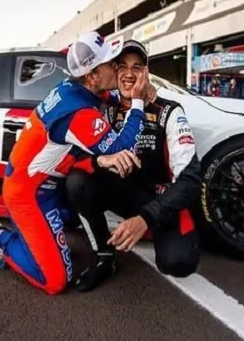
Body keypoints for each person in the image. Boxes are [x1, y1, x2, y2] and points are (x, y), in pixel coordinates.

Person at [0, 31, 153, 296]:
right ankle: (1, 238)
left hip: (51, 186)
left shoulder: (75, 87)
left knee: (84, 189)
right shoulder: (77, 113)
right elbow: (124, 150)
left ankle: (39, 234)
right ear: (92, 76)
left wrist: (128, 96)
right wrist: (139, 103)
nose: (117, 67)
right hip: (29, 195)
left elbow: (108, 98)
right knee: (55, 281)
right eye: (111, 64)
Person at [65, 39, 202, 292]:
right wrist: (100, 160)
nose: (129, 74)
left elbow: (191, 179)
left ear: (147, 72)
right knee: (76, 180)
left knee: (179, 262)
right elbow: (76, 158)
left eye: (137, 67)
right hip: (122, 194)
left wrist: (145, 218)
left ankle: (143, 228)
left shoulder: (169, 111)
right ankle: (104, 256)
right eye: (122, 66)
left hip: (159, 200)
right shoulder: (104, 109)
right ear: (114, 71)